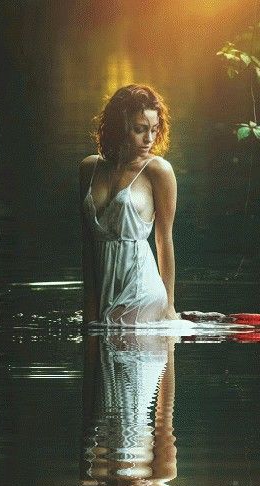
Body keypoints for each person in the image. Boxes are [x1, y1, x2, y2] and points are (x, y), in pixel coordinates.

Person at [79, 83, 197, 328]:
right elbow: (87, 244)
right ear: (118, 129)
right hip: (101, 295)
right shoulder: (89, 168)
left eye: (154, 129)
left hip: (141, 291)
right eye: (139, 129)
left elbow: (164, 239)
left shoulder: (158, 171)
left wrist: (169, 307)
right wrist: (89, 307)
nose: (149, 139)